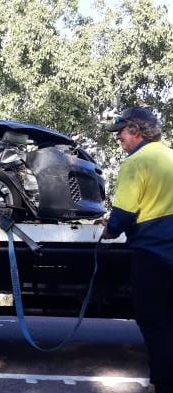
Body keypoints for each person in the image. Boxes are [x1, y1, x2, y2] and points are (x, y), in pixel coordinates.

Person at [102, 107, 173, 393]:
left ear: (137, 130)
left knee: (154, 322)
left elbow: (125, 213)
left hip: (152, 254)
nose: (118, 136)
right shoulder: (169, 155)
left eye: (121, 131)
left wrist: (109, 230)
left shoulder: (136, 161)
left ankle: (164, 385)